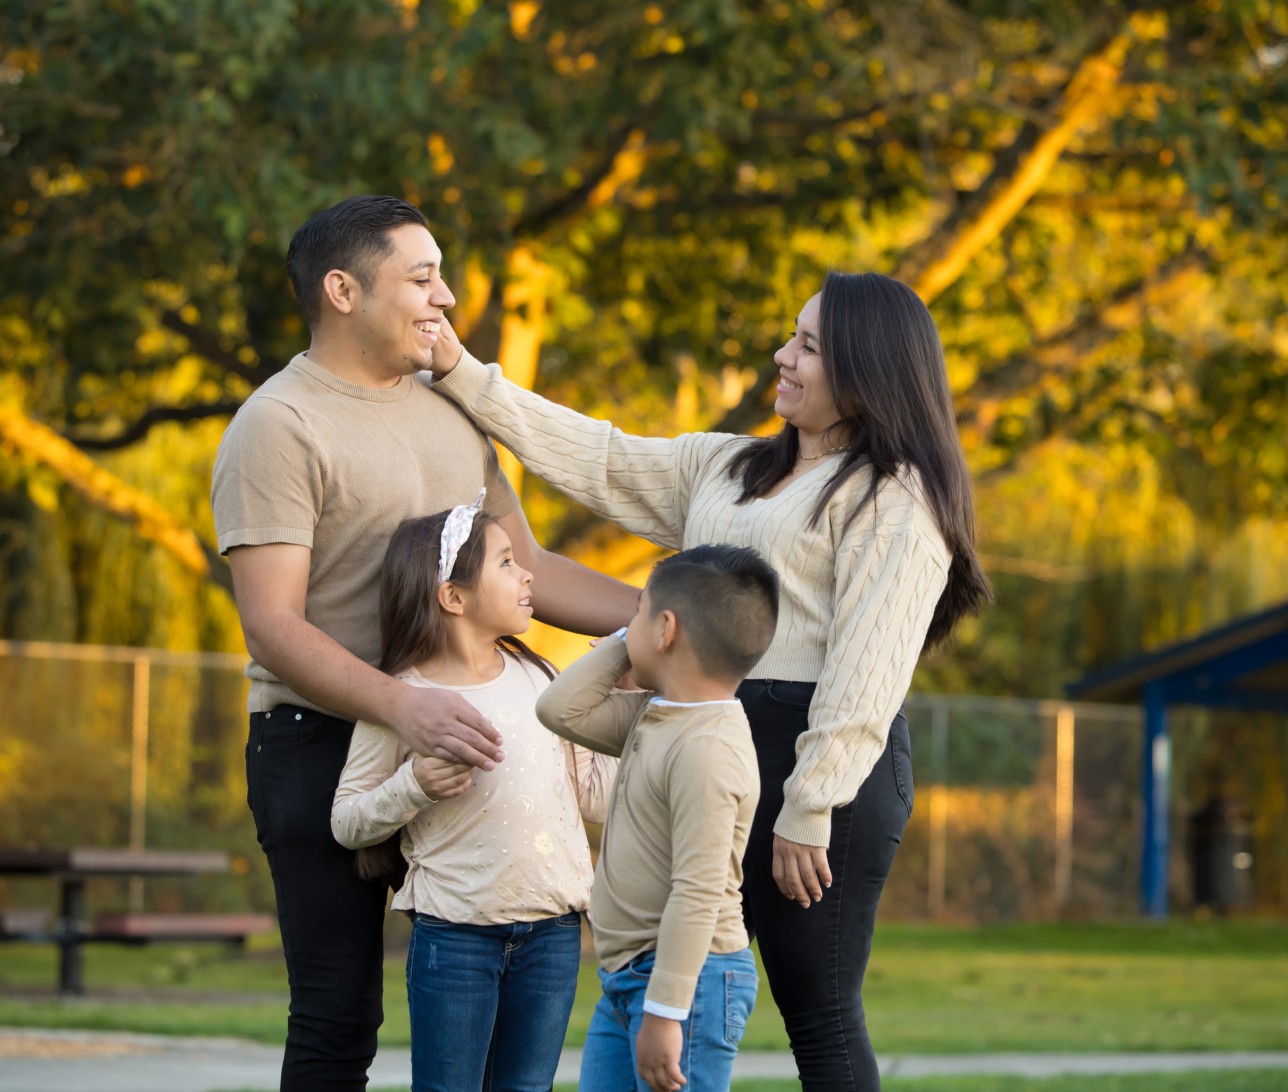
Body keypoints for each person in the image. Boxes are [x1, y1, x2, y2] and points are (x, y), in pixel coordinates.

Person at [424, 270, 992, 1090]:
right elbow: (599, 457)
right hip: (707, 744)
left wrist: (809, 805)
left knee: (819, 1011)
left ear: (867, 371)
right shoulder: (727, 467)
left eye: (808, 345)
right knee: (668, 981)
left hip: (819, 772)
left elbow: (868, 671)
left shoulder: (894, 500)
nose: (782, 354)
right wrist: (462, 375)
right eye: (790, 335)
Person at [209, 194, 638, 1090]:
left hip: (463, 738)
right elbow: (272, 624)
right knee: (337, 1017)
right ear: (342, 290)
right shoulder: (277, 424)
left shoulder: (454, 408)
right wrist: (405, 706)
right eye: (422, 276)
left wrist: (670, 624)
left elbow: (531, 568)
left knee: (490, 1008)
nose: (445, 299)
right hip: (321, 742)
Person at [332, 498, 616, 1092]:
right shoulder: (401, 701)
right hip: (453, 938)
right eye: (507, 563)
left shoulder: (543, 680)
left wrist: (631, 704)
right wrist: (413, 785)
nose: (528, 574)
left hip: (554, 933)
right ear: (453, 597)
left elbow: (594, 798)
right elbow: (347, 821)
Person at [535, 543, 779, 1092]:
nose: (626, 626)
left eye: (636, 615)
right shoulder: (656, 716)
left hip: (687, 984)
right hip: (629, 979)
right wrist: (627, 644)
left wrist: (667, 1012)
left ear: (666, 629)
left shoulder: (709, 751)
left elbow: (697, 889)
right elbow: (559, 708)